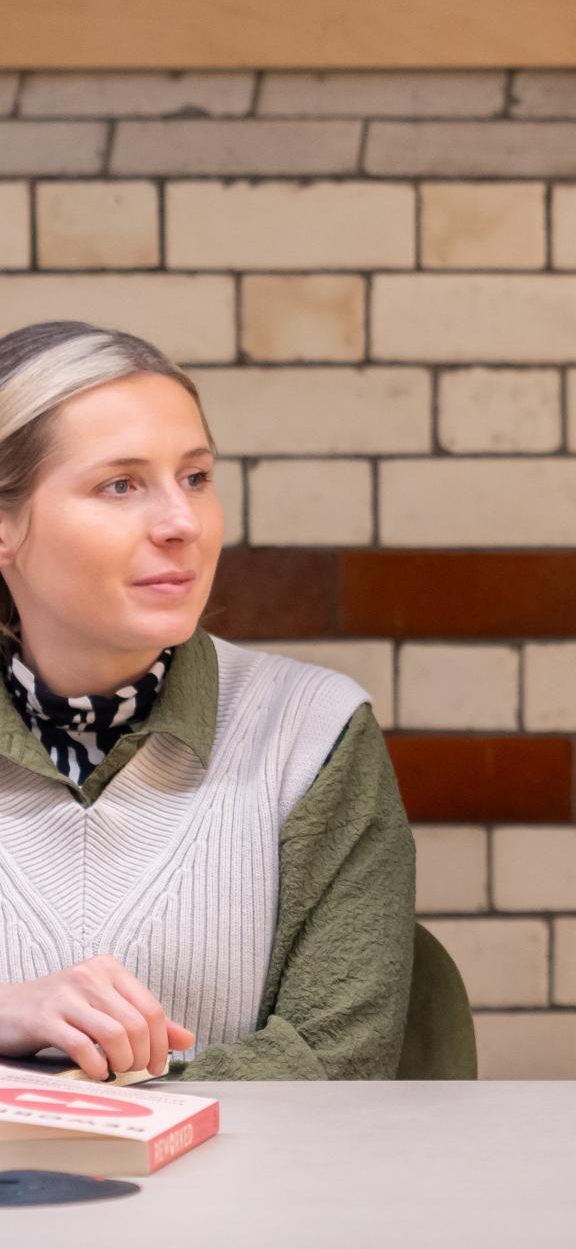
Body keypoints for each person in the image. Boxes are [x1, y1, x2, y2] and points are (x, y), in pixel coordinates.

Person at [0, 320, 414, 1081]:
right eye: (120, 485)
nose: (182, 524)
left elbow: (338, 1064)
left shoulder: (314, 735)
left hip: (242, 1201)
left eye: (195, 477)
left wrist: (60, 1099)